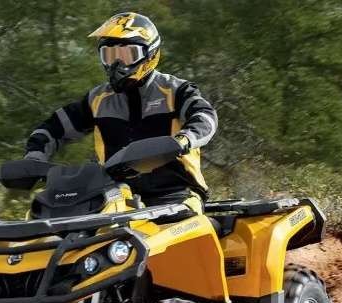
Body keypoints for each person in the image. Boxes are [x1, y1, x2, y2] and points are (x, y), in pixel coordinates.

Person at [24, 12, 218, 214]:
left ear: (150, 54)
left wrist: (185, 139)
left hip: (176, 193)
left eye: (126, 55)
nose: (117, 64)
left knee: (168, 228)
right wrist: (34, 158)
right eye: (109, 56)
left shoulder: (175, 90)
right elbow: (52, 128)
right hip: (115, 197)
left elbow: (206, 116)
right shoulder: (97, 99)